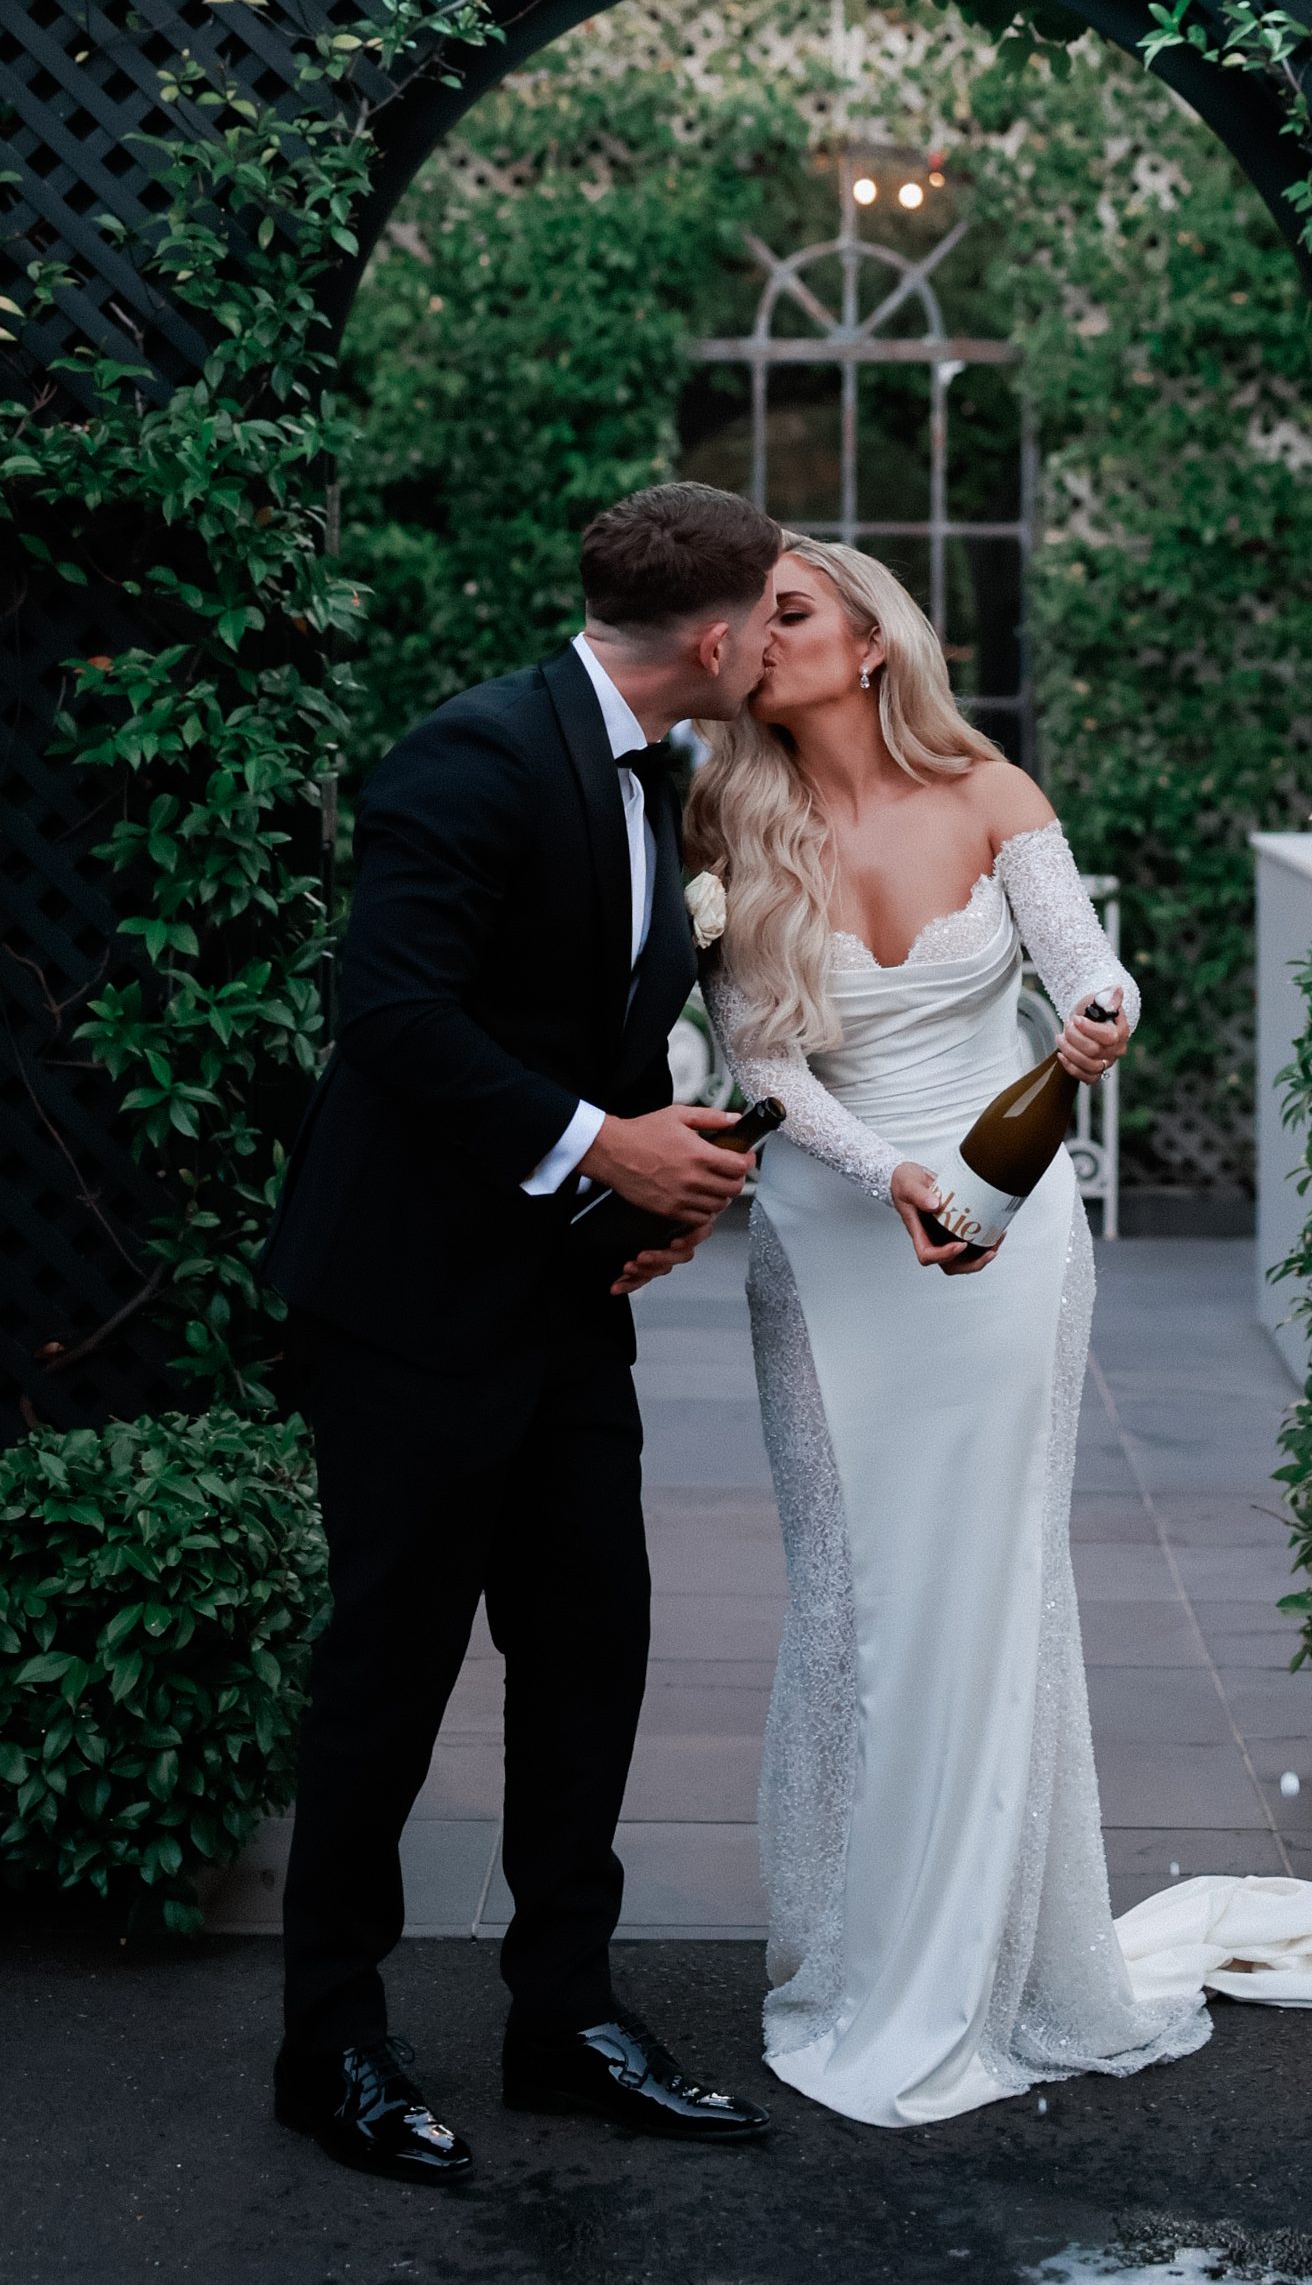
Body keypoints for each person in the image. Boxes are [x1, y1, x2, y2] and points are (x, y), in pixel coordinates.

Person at [261, 482, 782, 2182]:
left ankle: (563, 2017)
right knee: (388, 1682)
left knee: (591, 1653)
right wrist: (596, 1142)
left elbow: (589, 1015)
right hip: (408, 1308)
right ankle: (328, 2044)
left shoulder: (675, 781)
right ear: (711, 640)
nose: (777, 643)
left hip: (562, 1309)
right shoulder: (470, 756)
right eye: (769, 618)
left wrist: (650, 1198)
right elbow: (393, 1013)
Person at [690, 536, 1215, 2128]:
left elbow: (1089, 973)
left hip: (1015, 1234)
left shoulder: (994, 793)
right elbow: (761, 1062)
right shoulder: (725, 818)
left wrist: (1102, 1017)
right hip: (838, 1237)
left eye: (788, 610)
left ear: (867, 640)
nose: (755, 638)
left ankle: (1006, 1966)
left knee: (993, 1585)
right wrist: (890, 1174)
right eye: (744, 619)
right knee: (856, 1596)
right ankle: (861, 1962)